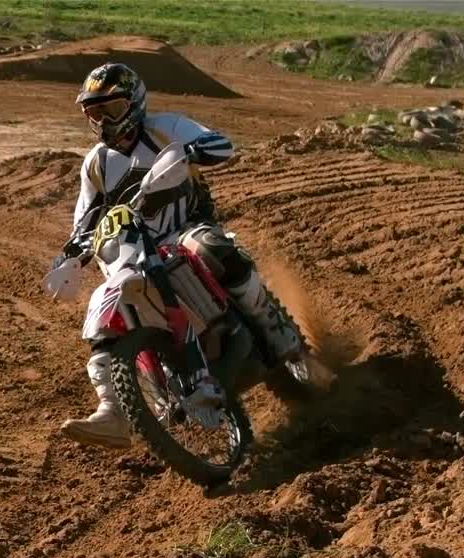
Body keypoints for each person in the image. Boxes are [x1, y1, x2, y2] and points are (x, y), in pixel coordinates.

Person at [56, 63, 301, 449]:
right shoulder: (96, 163)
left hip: (186, 229)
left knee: (209, 247)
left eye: (112, 110)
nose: (104, 121)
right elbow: (85, 220)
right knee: (112, 307)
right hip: (133, 250)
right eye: (95, 112)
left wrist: (190, 151)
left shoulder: (165, 128)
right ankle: (113, 412)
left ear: (134, 104)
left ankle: (273, 327)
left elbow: (223, 146)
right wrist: (70, 256)